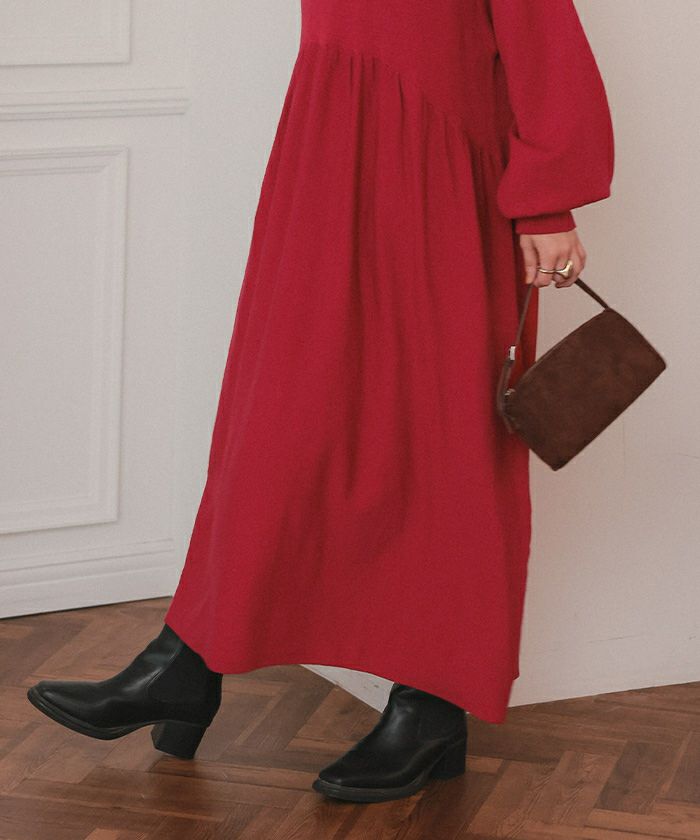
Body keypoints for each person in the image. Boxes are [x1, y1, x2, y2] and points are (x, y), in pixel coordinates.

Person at [26, 0, 614, 804]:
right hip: (326, 166)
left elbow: (546, 46)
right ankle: (186, 661)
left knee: (442, 440)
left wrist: (547, 201)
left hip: (443, 185)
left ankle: (430, 706)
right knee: (274, 424)